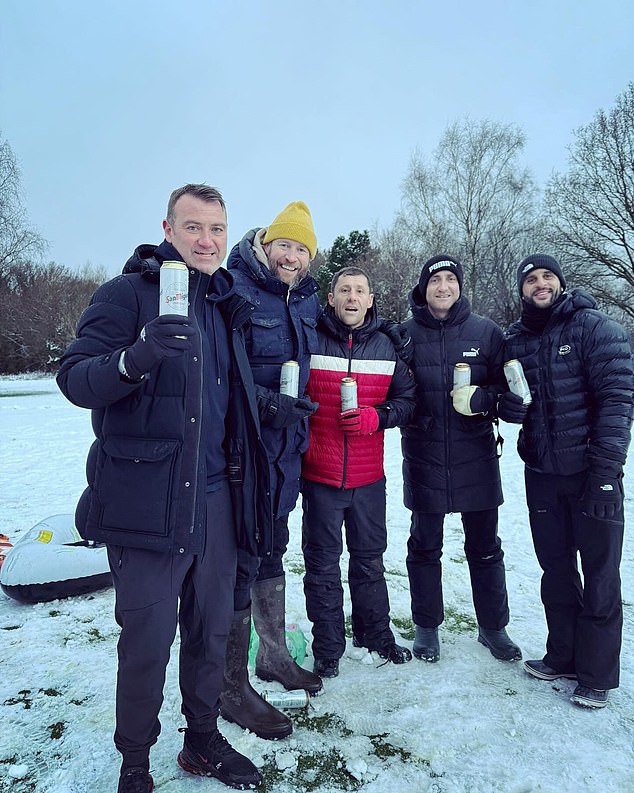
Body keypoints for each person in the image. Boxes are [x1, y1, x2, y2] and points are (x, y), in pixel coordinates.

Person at [56, 184, 285, 792]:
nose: (206, 241)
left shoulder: (226, 305)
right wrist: (135, 357)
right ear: (167, 228)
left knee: (211, 632)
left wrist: (269, 405)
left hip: (217, 498)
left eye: (216, 229)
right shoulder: (127, 295)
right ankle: (135, 761)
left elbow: (215, 397)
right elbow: (76, 378)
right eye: (193, 228)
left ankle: (202, 740)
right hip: (147, 504)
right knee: (147, 642)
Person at [503, 253, 633, 709]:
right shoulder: (516, 339)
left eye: (547, 277)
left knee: (600, 576)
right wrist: (504, 406)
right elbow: (502, 392)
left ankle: (596, 676)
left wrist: (605, 474)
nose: (539, 284)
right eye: (531, 279)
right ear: (521, 289)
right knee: (556, 571)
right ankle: (562, 655)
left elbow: (617, 402)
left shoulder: (594, 327)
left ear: (560, 283)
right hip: (542, 475)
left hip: (590, 476)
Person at [220, 201, 323, 740]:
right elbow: (218, 371)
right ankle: (229, 683)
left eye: (302, 249)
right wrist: (266, 405)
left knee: (273, 553)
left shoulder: (305, 300)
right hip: (240, 453)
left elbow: (344, 331)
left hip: (286, 454)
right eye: (285, 244)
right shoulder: (231, 286)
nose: (293, 256)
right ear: (265, 244)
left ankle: (274, 658)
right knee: (239, 560)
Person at [400, 255, 522, 665]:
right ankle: (427, 628)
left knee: (486, 548)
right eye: (436, 280)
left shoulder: (486, 332)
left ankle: (493, 628)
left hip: (477, 459)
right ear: (424, 287)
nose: (444, 287)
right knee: (424, 547)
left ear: (460, 286)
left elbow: (510, 395)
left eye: (451, 279)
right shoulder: (405, 334)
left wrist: (483, 400)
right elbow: (396, 392)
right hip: (424, 456)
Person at [300, 266, 416, 678]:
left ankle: (375, 635)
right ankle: (328, 647)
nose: (352, 297)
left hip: (368, 480)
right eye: (344, 290)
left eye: (360, 291)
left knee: (369, 562)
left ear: (370, 300)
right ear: (330, 298)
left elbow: (408, 400)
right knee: (323, 567)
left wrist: (377, 417)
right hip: (320, 478)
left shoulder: (387, 346)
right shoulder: (310, 339)